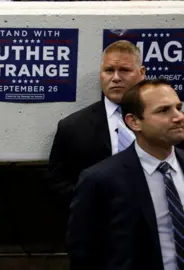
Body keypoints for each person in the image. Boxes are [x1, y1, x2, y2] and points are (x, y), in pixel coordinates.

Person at [67, 78, 184, 270]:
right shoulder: (100, 179)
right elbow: (84, 253)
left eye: (178, 107)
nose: (179, 117)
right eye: (164, 110)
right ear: (134, 122)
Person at [46, 40, 146, 206]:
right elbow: (56, 183)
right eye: (109, 70)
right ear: (101, 74)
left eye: (124, 70)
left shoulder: (168, 120)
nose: (115, 78)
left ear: (142, 73)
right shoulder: (72, 127)